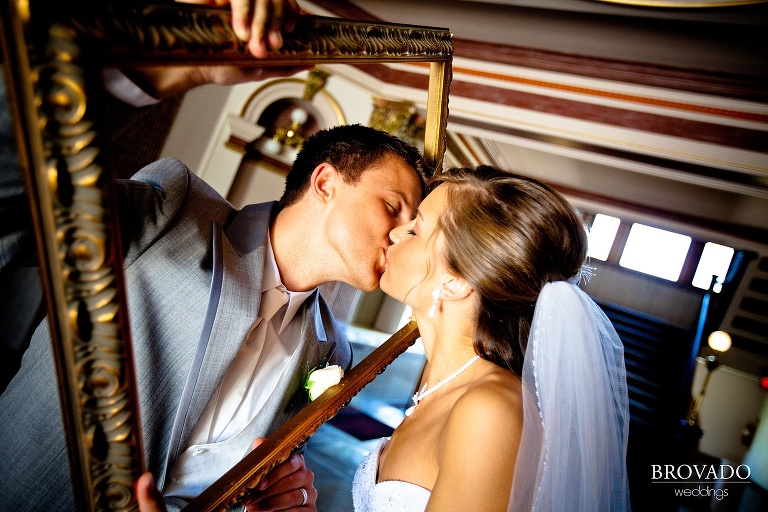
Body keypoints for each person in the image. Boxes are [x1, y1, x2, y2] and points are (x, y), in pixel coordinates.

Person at [0, 121, 430, 512]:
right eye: (393, 206)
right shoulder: (179, 208)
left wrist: (277, 500)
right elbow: (21, 204)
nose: (401, 235)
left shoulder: (333, 353)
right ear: (324, 183)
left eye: (412, 225)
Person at [351, 166, 630, 511]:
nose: (395, 234)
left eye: (416, 230)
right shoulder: (439, 386)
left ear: (456, 282)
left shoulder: (489, 411)